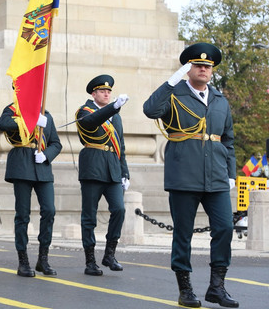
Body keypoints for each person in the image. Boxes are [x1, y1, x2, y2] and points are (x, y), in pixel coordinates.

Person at [143, 42, 238, 308]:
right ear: (188, 69)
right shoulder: (174, 95)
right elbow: (150, 110)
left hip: (217, 177)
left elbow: (227, 140)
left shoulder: (220, 99)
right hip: (184, 175)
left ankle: (216, 287)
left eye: (208, 66)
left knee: (225, 228)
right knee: (183, 233)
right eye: (198, 65)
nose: (204, 69)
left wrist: (230, 173)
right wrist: (170, 82)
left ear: (212, 70)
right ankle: (185, 288)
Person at [0, 102, 62, 277]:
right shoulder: (12, 110)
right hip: (22, 165)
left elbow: (56, 143)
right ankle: (23, 261)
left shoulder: (46, 114)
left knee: (49, 211)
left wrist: (47, 155)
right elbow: (3, 123)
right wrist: (31, 119)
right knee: (23, 215)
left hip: (42, 166)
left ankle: (43, 258)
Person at [75, 74, 130, 276]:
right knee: (89, 216)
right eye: (102, 91)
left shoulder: (116, 116)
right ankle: (90, 260)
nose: (107, 94)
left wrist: (125, 172)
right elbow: (91, 122)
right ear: (93, 93)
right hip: (93, 167)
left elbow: (121, 146)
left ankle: (109, 254)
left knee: (119, 209)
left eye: (109, 92)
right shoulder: (84, 110)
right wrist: (113, 107)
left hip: (112, 168)